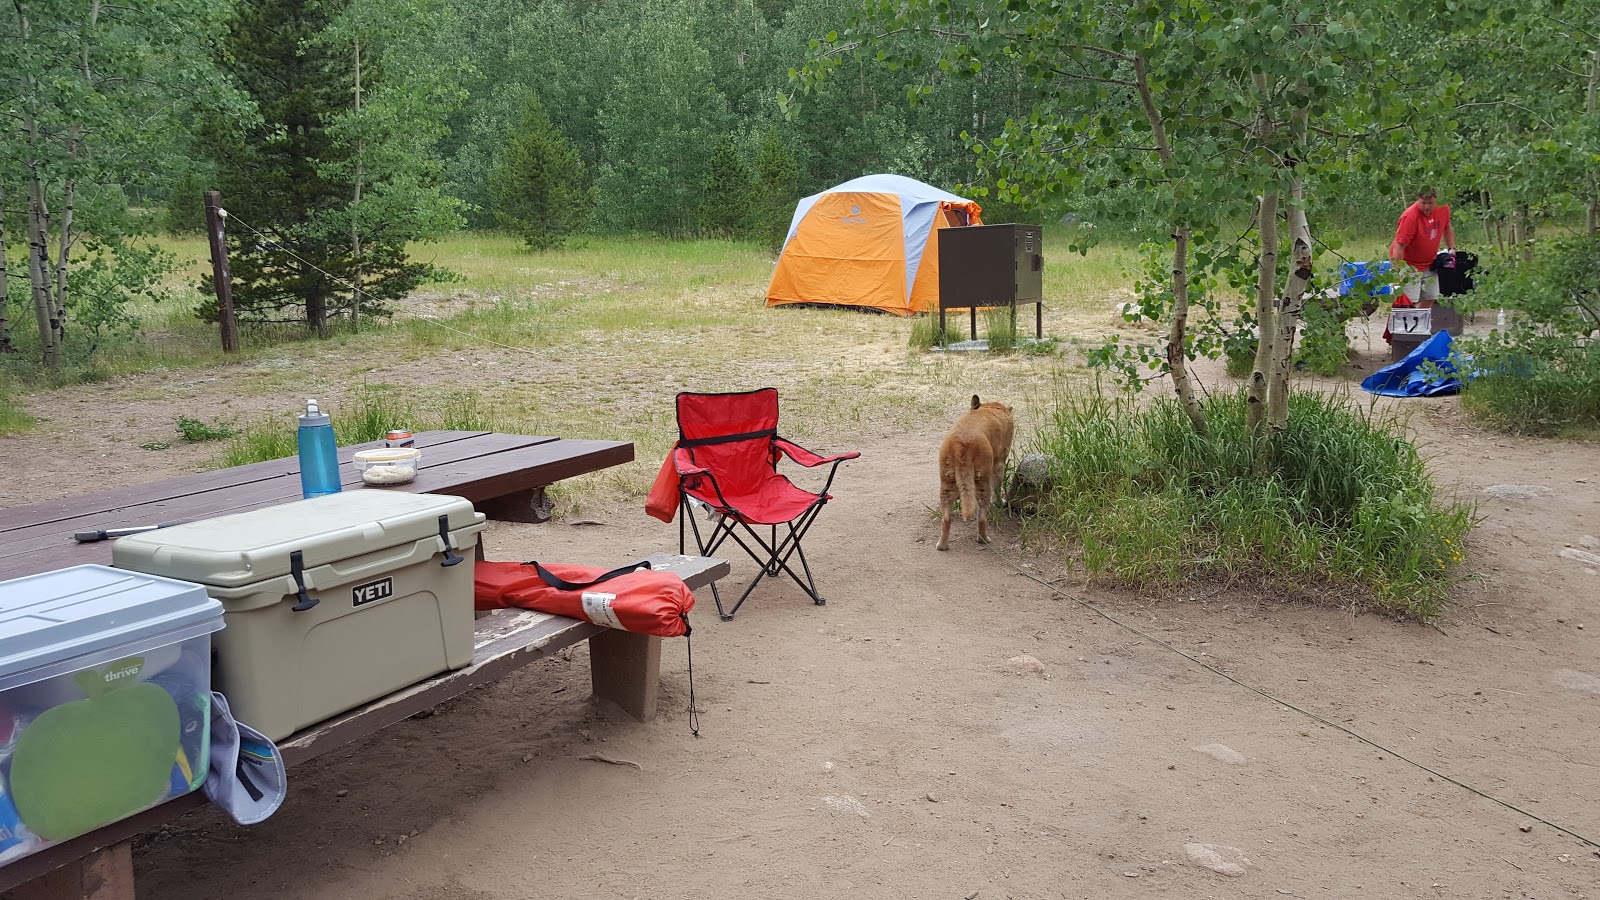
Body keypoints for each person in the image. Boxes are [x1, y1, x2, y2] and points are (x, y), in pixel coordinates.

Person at [1390, 188, 1456, 308]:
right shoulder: (1410, 217)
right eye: (1423, 203)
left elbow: (1447, 226)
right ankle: (1408, 324)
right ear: (1417, 200)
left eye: (1430, 203)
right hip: (1409, 265)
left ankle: (1419, 325)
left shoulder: (1443, 208)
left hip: (1430, 262)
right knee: (1409, 302)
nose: (1426, 207)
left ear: (1436, 200)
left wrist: (1451, 248)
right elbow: (1398, 247)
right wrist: (1397, 275)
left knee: (1430, 297)